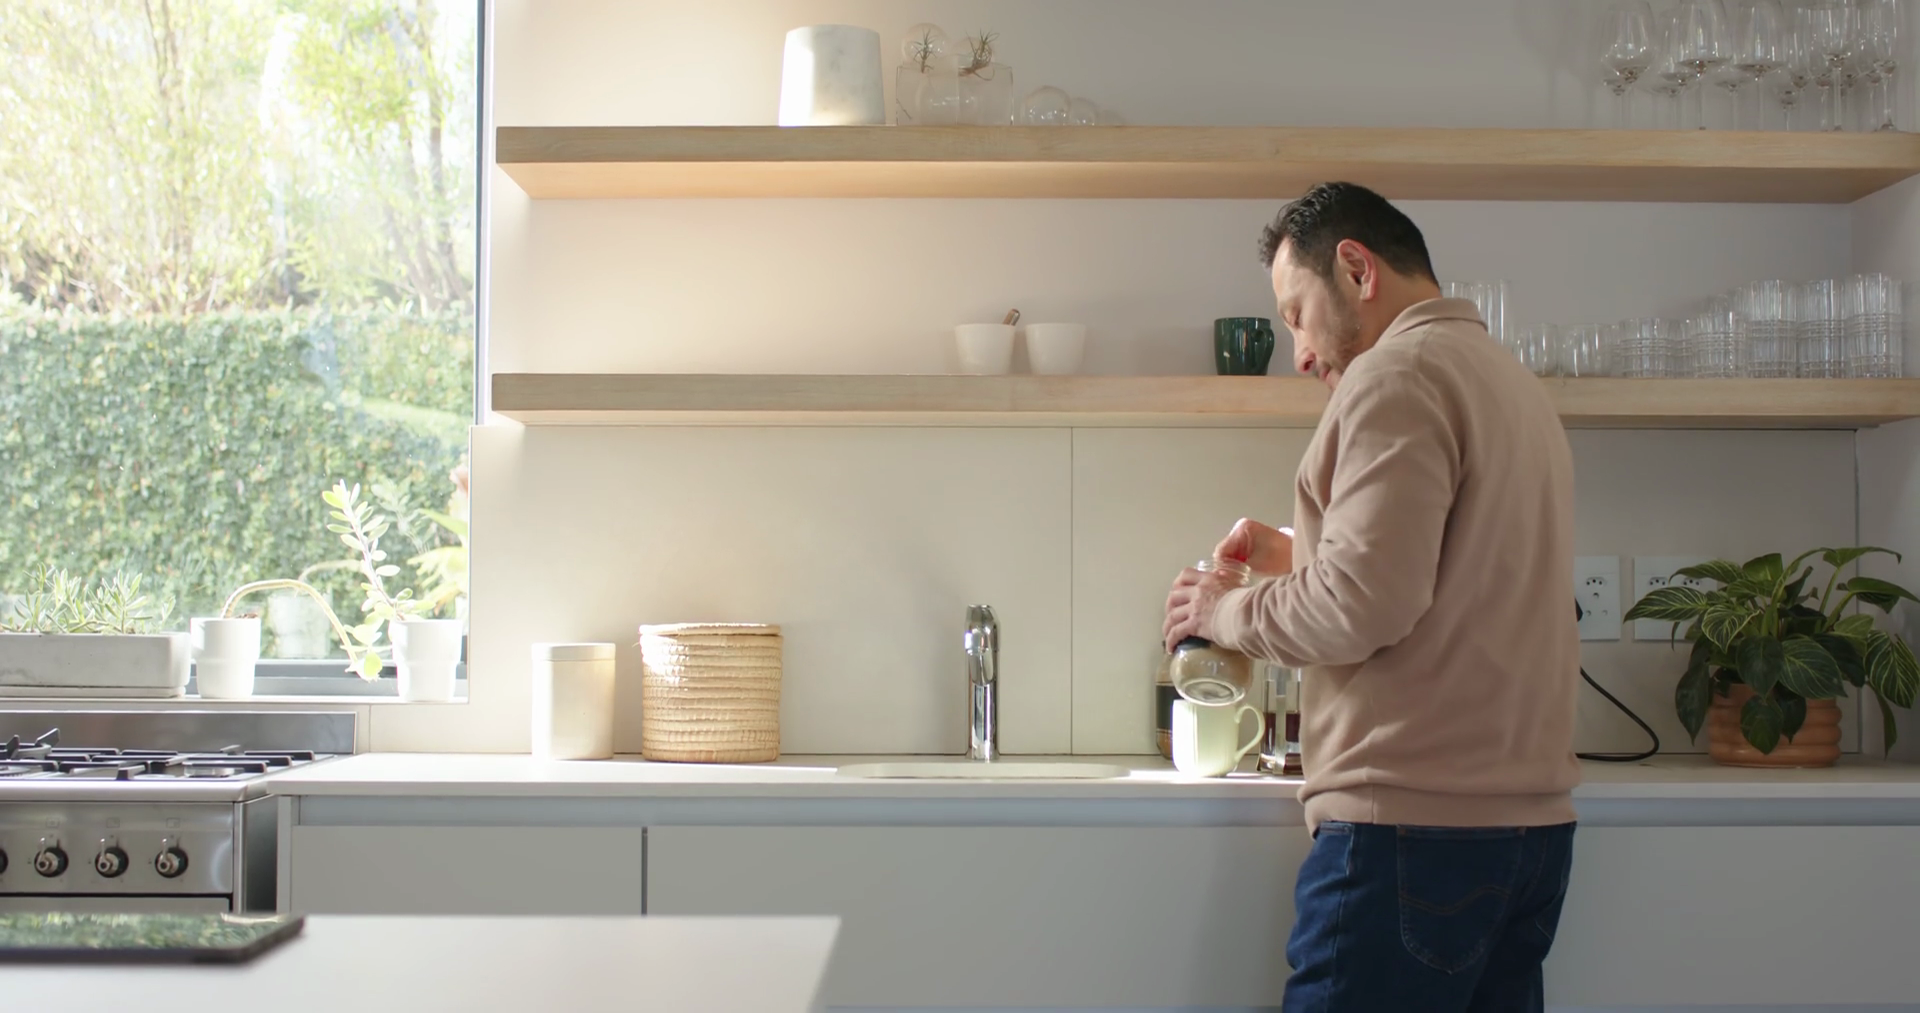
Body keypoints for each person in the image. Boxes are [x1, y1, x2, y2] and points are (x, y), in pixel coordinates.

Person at [1162, 181, 1581, 1013]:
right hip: (1529, 836)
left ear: (1356, 270)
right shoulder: (1510, 383)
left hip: (1411, 834)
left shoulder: (1396, 374)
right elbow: (1449, 569)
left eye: (1296, 314)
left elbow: (1361, 603)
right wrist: (1298, 551)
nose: (1299, 353)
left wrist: (1221, 614)